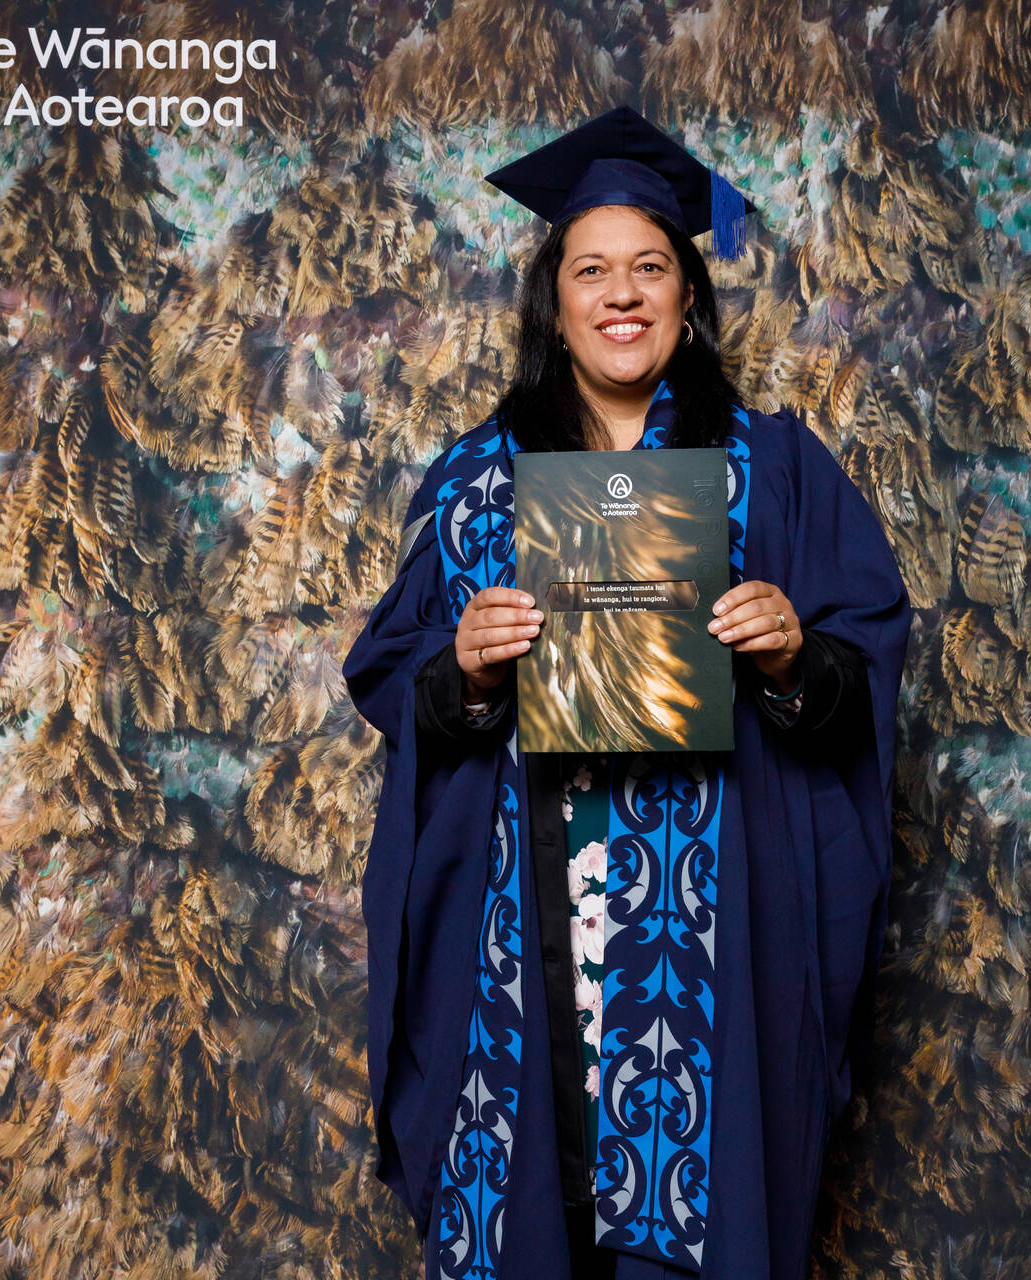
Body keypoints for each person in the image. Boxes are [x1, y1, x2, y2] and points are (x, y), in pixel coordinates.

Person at [344, 105, 911, 1280]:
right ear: (553, 301)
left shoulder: (774, 466)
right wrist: (467, 667)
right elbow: (397, 673)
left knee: (702, 1206)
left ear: (687, 296)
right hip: (523, 919)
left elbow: (859, 658)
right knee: (538, 1206)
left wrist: (790, 655)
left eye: (650, 267)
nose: (622, 293)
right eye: (591, 269)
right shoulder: (475, 479)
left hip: (715, 928)